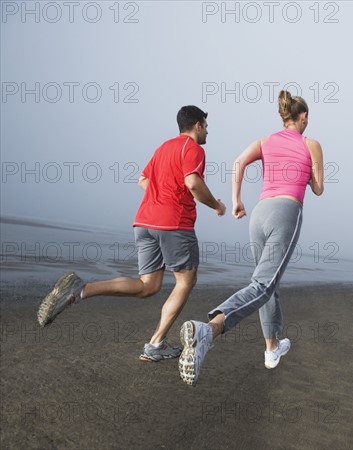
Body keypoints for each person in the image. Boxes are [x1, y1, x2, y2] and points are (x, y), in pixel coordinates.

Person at [37, 105, 226, 362]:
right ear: (197, 125)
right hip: (174, 224)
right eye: (206, 125)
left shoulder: (163, 148)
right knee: (185, 281)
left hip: (144, 222)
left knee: (148, 286)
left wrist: (160, 198)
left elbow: (143, 180)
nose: (208, 130)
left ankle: (81, 290)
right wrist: (216, 205)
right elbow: (193, 183)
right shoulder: (193, 148)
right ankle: (156, 344)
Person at [178, 90, 324, 386]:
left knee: (267, 282)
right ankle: (210, 329)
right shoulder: (312, 144)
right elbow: (318, 189)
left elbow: (239, 162)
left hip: (259, 214)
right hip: (286, 211)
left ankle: (272, 348)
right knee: (262, 283)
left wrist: (236, 201)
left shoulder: (265, 141)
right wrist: (307, 171)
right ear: (304, 116)